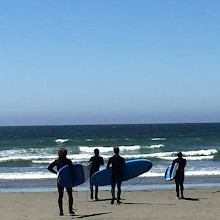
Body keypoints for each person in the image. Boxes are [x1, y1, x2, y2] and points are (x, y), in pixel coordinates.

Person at [48, 147, 75, 216]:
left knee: (61, 196)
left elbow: (49, 168)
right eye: (65, 153)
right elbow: (72, 171)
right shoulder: (68, 161)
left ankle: (62, 211)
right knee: (69, 195)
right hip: (67, 179)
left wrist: (56, 173)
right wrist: (74, 180)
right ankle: (70, 210)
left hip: (60, 179)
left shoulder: (57, 161)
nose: (66, 154)